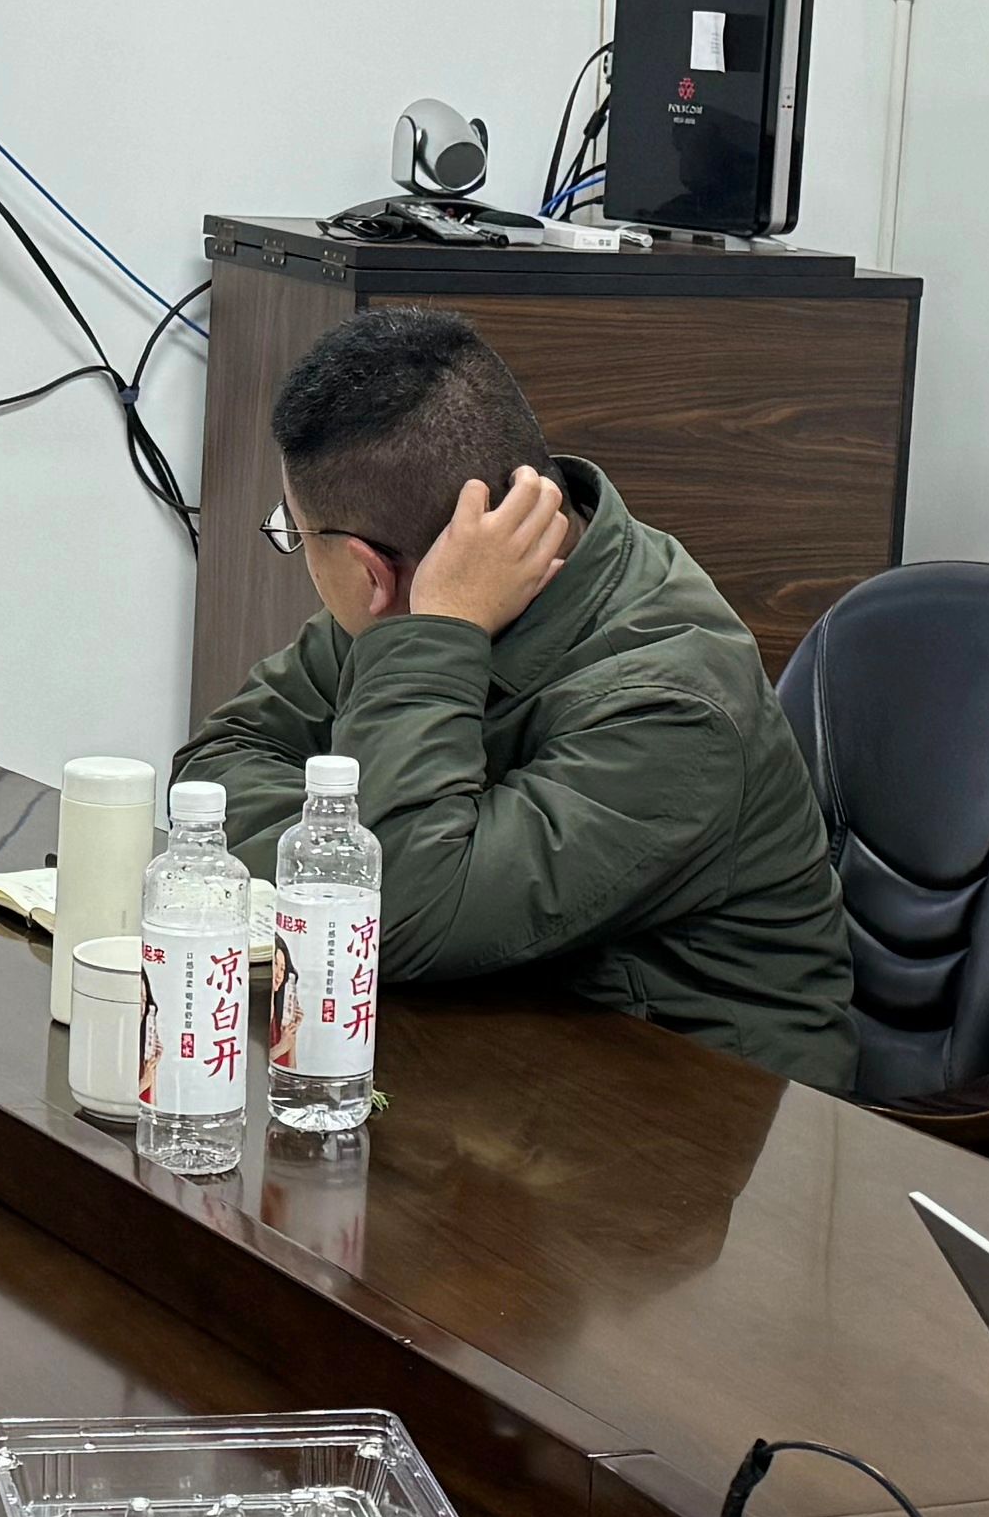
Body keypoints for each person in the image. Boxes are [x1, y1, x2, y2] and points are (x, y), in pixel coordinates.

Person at [180, 308, 855, 1090]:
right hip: (510, 1057)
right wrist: (432, 636)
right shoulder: (400, 617)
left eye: (294, 535)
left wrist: (441, 631)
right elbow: (214, 771)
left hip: (697, 1114)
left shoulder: (672, 705)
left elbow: (387, 917)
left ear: (369, 571)